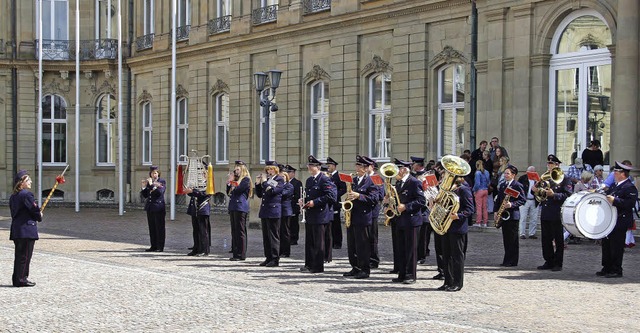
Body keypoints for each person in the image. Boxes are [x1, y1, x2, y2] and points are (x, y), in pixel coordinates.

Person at [598, 161, 638, 278]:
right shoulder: (615, 185)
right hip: (611, 219)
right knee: (607, 244)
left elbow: (629, 204)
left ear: (623, 173)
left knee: (616, 246)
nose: (614, 173)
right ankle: (607, 267)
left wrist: (615, 200)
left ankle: (616, 269)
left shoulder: (629, 187)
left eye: (616, 171)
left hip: (621, 219)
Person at [390, 158, 426, 284]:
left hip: (412, 220)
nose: (396, 172)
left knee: (411, 249)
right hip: (400, 219)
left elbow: (421, 201)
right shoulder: (399, 183)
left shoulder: (414, 182)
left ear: (404, 170)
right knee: (401, 248)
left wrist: (406, 206)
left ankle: (411, 275)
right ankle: (402, 273)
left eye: (397, 169)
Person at [342, 155, 378, 279]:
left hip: (363, 217)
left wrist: (359, 196)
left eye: (359, 166)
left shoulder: (371, 180)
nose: (356, 168)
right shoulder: (355, 180)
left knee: (362, 245)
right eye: (356, 165)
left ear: (365, 168)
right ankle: (355, 267)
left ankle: (364, 269)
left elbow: (374, 198)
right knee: (352, 245)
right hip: (352, 215)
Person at [300, 155, 337, 273]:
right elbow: (309, 195)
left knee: (318, 242)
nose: (309, 167)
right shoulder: (310, 180)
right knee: (309, 241)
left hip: (320, 215)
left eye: (311, 166)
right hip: (310, 214)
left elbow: (331, 196)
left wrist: (314, 202)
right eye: (309, 165)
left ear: (318, 167)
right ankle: (309, 264)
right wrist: (304, 201)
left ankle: (317, 266)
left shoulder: (324, 179)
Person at [535, 154, 572, 272]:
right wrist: (535, 191)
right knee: (546, 239)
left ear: (557, 165)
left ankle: (558, 263)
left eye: (552, 164)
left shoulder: (564, 178)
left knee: (558, 239)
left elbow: (567, 195)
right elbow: (539, 194)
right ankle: (548, 260)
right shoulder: (545, 178)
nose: (549, 166)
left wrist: (554, 195)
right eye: (548, 164)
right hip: (546, 210)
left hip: (556, 211)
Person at [438, 176, 474, 292]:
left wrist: (459, 215)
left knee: (457, 256)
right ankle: (448, 281)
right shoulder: (446, 191)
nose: (443, 178)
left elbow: (470, 209)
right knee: (446, 255)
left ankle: (457, 283)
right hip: (445, 227)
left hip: (457, 227)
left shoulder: (463, 190)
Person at [10, 170, 42, 287]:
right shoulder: (27, 195)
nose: (31, 182)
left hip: (17, 230)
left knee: (19, 256)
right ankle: (22, 279)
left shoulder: (14, 196)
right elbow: (34, 210)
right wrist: (39, 215)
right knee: (25, 256)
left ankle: (17, 278)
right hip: (26, 230)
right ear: (21, 183)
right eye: (28, 180)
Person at [494, 165, 526, 267]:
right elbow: (498, 199)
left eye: (508, 173)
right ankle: (506, 260)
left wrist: (512, 204)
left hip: (513, 215)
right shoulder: (503, 185)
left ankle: (513, 260)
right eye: (505, 173)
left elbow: (522, 199)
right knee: (506, 239)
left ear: (513, 175)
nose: (506, 175)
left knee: (513, 239)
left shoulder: (517, 185)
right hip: (504, 215)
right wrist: (496, 211)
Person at [255, 161, 285, 267]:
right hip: (265, 210)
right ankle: (268, 257)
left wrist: (264, 183)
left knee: (273, 235)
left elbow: (272, 192)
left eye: (271, 169)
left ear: (275, 169)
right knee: (266, 236)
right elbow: (259, 194)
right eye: (268, 169)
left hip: (274, 210)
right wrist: (258, 184)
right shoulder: (268, 180)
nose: (269, 171)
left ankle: (275, 258)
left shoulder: (279, 179)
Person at [226, 160, 252, 261]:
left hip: (240, 207)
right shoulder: (236, 180)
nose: (235, 171)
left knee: (240, 231)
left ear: (242, 170)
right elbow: (228, 192)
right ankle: (235, 252)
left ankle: (241, 254)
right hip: (233, 206)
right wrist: (229, 183)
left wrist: (232, 182)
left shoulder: (245, 179)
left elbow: (238, 190)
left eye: (237, 169)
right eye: (235, 169)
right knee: (234, 230)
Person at [140, 166, 166, 252]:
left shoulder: (161, 182)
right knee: (152, 227)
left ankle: (160, 246)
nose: (153, 175)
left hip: (158, 208)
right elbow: (146, 195)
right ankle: (153, 245)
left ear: (158, 173)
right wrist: (144, 187)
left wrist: (151, 185)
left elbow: (159, 193)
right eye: (152, 173)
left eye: (155, 173)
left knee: (159, 228)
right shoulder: (149, 183)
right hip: (150, 207)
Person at [326, 157, 347, 256]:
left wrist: (335, 195)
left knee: (336, 224)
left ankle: (337, 242)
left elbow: (344, 189)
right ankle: (331, 241)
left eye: (329, 166)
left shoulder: (339, 176)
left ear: (334, 166)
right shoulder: (327, 176)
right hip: (328, 203)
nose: (328, 167)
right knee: (330, 224)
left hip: (335, 203)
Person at [366, 159, 385, 269]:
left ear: (372, 166)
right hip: (362, 211)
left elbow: (381, 195)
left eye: (366, 166)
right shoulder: (364, 178)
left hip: (372, 211)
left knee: (372, 236)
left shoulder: (377, 178)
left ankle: (373, 259)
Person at [184, 185, 211, 257]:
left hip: (202, 207)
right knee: (196, 230)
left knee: (203, 231)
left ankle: (204, 250)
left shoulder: (208, 183)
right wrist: (189, 191)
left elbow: (204, 194)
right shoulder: (197, 183)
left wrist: (193, 191)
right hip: (195, 208)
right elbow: (193, 194)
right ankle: (196, 248)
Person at [517, 166, 539, 239]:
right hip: (524, 200)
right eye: (530, 172)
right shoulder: (522, 178)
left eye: (533, 172)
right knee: (523, 218)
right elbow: (518, 188)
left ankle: (532, 233)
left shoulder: (537, 180)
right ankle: (522, 233)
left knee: (534, 218)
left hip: (534, 200)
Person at [286, 165, 303, 246]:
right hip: (286, 206)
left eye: (289, 172)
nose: (287, 174)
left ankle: (294, 238)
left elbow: (298, 195)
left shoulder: (297, 182)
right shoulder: (284, 182)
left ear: (293, 173)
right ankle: (288, 237)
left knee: (294, 224)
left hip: (293, 206)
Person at [279, 171, 294, 258]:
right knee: (279, 231)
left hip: (285, 210)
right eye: (280, 177)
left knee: (285, 232)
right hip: (279, 211)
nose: (281, 178)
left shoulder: (289, 185)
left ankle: (286, 251)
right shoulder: (279, 185)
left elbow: (283, 194)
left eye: (283, 177)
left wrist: (276, 188)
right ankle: (280, 250)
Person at [472, 160, 490, 228]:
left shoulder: (477, 173)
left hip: (479, 190)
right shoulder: (487, 172)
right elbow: (488, 182)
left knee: (479, 207)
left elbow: (477, 184)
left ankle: (478, 222)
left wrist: (474, 190)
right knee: (485, 207)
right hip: (485, 190)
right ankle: (485, 222)